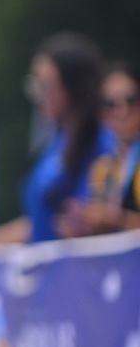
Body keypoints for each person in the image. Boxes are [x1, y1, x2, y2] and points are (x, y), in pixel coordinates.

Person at [0, 34, 108, 250]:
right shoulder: (58, 144)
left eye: (45, 85)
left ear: (74, 86)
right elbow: (37, 224)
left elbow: (89, 220)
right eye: (34, 85)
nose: (37, 94)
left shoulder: (100, 144)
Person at [60, 62, 140, 235]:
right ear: (100, 113)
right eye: (110, 104)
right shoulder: (102, 169)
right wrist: (80, 227)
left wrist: (116, 219)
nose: (121, 111)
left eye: (131, 100)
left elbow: (113, 220)